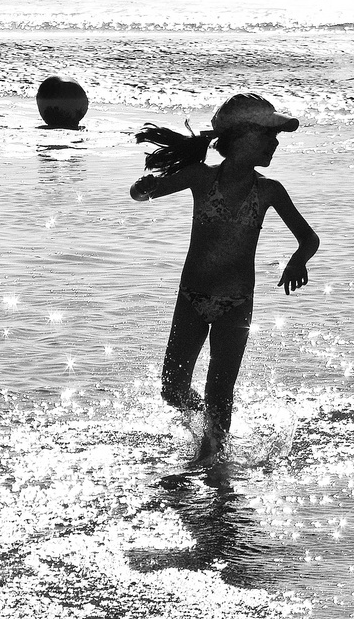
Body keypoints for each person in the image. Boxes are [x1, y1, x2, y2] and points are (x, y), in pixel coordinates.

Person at [130, 94, 320, 463]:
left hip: (236, 305)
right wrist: (144, 188)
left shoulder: (269, 191)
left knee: (220, 391)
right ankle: (205, 431)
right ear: (243, 137)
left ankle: (213, 463)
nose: (276, 142)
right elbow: (144, 193)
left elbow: (308, 238)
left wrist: (298, 261)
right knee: (172, 389)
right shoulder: (201, 178)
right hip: (192, 299)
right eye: (269, 135)